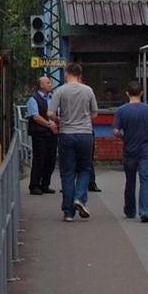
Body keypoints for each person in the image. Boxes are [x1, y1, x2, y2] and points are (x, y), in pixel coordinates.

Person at [49, 63, 98, 222]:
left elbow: (50, 113)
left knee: (67, 172)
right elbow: (94, 113)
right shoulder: (88, 90)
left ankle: (68, 212)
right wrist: (84, 120)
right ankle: (79, 198)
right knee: (84, 169)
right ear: (80, 74)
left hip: (66, 134)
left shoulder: (60, 91)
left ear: (67, 73)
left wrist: (59, 119)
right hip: (85, 134)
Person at [113, 83, 148, 222]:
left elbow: (116, 131)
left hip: (129, 149)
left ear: (127, 93)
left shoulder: (121, 110)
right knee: (146, 180)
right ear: (142, 93)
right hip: (145, 149)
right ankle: (144, 211)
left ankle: (130, 210)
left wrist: (124, 136)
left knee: (130, 180)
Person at [25, 75, 57, 194]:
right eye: (48, 83)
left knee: (51, 160)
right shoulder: (34, 99)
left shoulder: (51, 98)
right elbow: (36, 117)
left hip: (52, 134)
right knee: (39, 159)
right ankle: (34, 185)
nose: (50, 84)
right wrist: (49, 125)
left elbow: (53, 114)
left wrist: (57, 121)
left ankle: (45, 184)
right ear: (41, 85)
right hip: (40, 134)